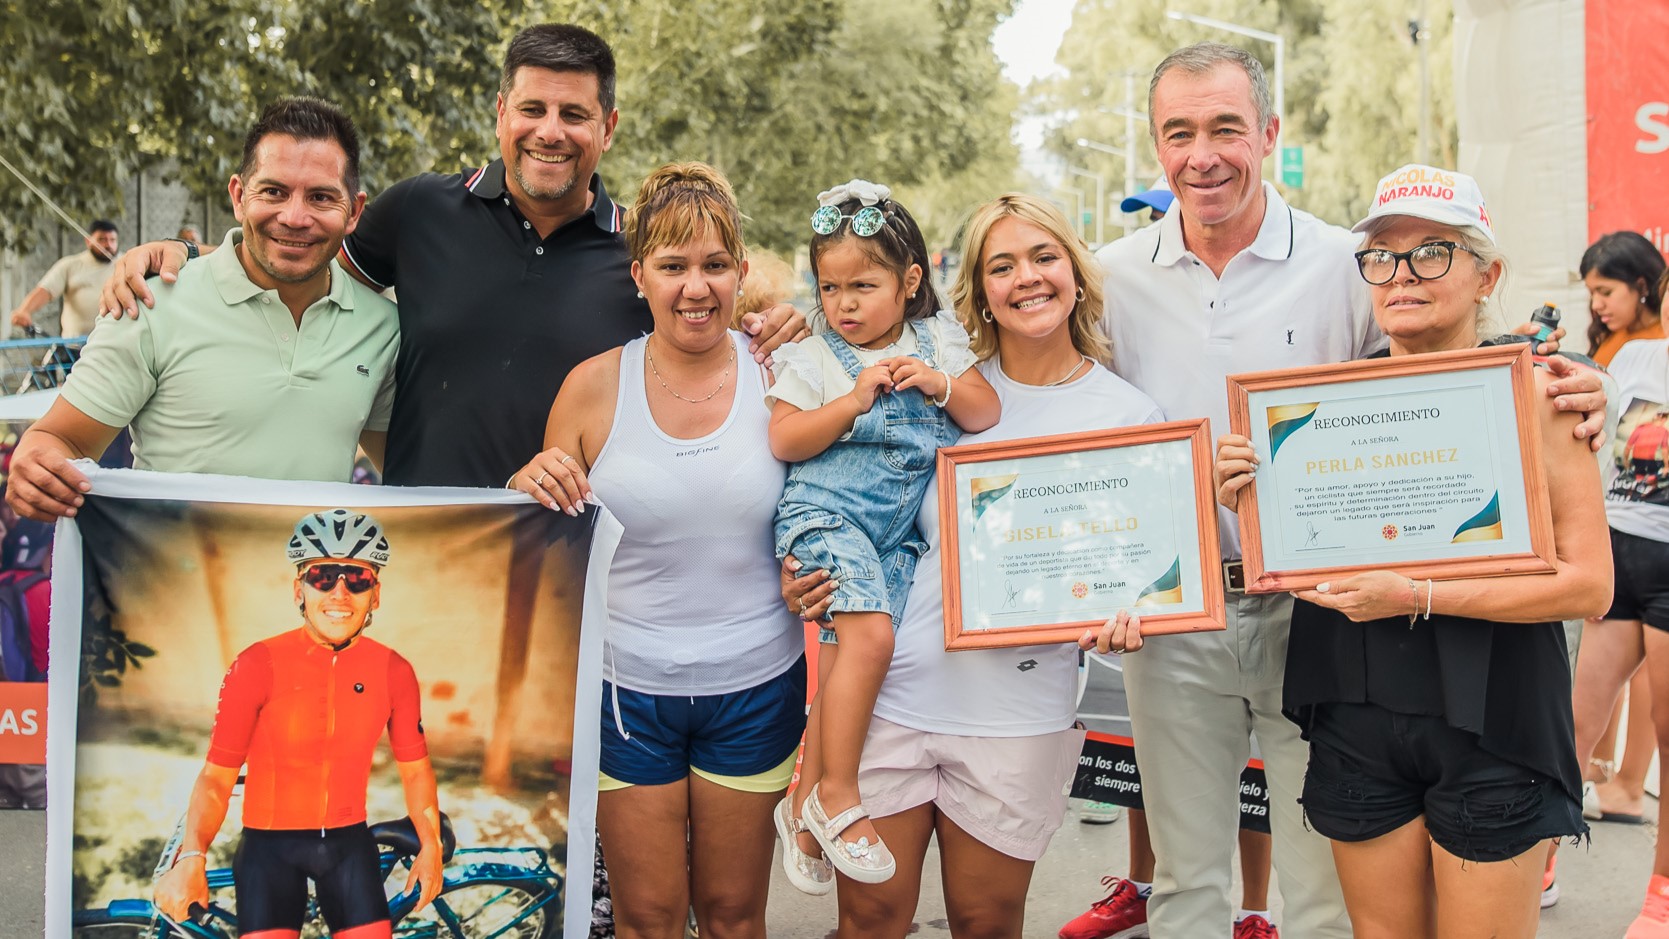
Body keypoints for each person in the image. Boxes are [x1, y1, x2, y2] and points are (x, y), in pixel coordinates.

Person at [1093, 43, 1606, 939]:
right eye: (1178, 132)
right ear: (1153, 143)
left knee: (1321, 889)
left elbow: (1447, 383)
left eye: (1224, 127)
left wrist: (1570, 389)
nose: (1201, 153)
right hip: (1182, 613)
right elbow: (1031, 390)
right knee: (1185, 877)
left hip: (1318, 616)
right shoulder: (1107, 276)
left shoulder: (1343, 260)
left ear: (1269, 132)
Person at [101, 24, 803, 490]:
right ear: (501, 113)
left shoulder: (640, 255)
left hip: (573, 557)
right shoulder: (418, 211)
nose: (549, 132)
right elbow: (297, 261)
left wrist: (777, 322)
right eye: (532, 109)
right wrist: (184, 255)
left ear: (607, 128)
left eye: (574, 115)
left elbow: (716, 316)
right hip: (420, 545)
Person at [1207, 164, 1608, 938]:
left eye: (1431, 251)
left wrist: (1418, 594)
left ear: (1486, 272)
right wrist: (1255, 504)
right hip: (1357, 710)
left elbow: (1588, 585)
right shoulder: (1319, 407)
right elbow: (1290, 558)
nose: (1401, 274)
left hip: (1496, 714)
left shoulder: (1543, 396)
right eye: (1382, 256)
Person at [782, 192, 1162, 937]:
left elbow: (1140, 572)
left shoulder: (1127, 417)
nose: (1026, 277)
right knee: (869, 921)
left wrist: (1130, 612)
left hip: (1014, 718)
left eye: (1043, 256)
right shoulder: (930, 382)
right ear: (978, 289)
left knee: (987, 922)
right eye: (1002, 264)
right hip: (889, 699)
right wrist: (804, 573)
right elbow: (841, 499)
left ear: (1075, 272)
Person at [510, 162, 806, 938]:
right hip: (621, 691)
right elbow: (545, 543)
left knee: (734, 914)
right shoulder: (591, 387)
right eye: (673, 267)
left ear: (742, 272)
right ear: (638, 273)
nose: (695, 288)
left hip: (756, 684)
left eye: (714, 265)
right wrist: (525, 481)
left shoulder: (785, 374)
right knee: (646, 916)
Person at [4, 98, 397, 525]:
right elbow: (59, 439)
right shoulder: (151, 305)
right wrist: (34, 464)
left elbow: (405, 472)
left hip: (315, 587)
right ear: (238, 197)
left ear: (354, 212)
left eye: (321, 197)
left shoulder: (381, 328)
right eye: (273, 191)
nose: (295, 216)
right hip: (175, 585)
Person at [770, 180, 999, 886]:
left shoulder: (939, 343)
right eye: (830, 286)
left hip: (892, 537)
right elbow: (784, 438)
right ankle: (837, 794)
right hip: (826, 518)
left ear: (908, 281)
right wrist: (849, 401)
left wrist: (935, 382)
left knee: (845, 660)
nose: (842, 303)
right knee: (869, 638)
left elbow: (983, 412)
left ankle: (800, 800)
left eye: (862, 285)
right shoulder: (814, 357)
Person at [152, 509, 444, 936]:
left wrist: (431, 846)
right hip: (269, 850)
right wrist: (192, 857)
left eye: (357, 579)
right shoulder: (255, 665)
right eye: (323, 577)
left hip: (348, 845)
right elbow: (216, 778)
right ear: (299, 590)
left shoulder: (393, 671)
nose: (339, 594)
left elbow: (416, 769)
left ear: (375, 595)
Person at [1566, 326, 1669, 937]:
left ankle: (1661, 898)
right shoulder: (1638, 354)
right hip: (1619, 556)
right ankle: (1540, 857)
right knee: (1574, 721)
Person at [9, 219, 120, 338]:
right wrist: (24, 311)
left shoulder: (125, 264)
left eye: (112, 240)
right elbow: (45, 290)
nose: (108, 245)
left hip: (114, 342)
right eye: (101, 240)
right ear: (88, 241)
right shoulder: (70, 265)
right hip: (74, 346)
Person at [1582, 231, 1665, 367]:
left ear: (1642, 286)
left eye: (1606, 292)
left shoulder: (1663, 341)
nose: (1595, 305)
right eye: (1591, 293)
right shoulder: (1608, 335)